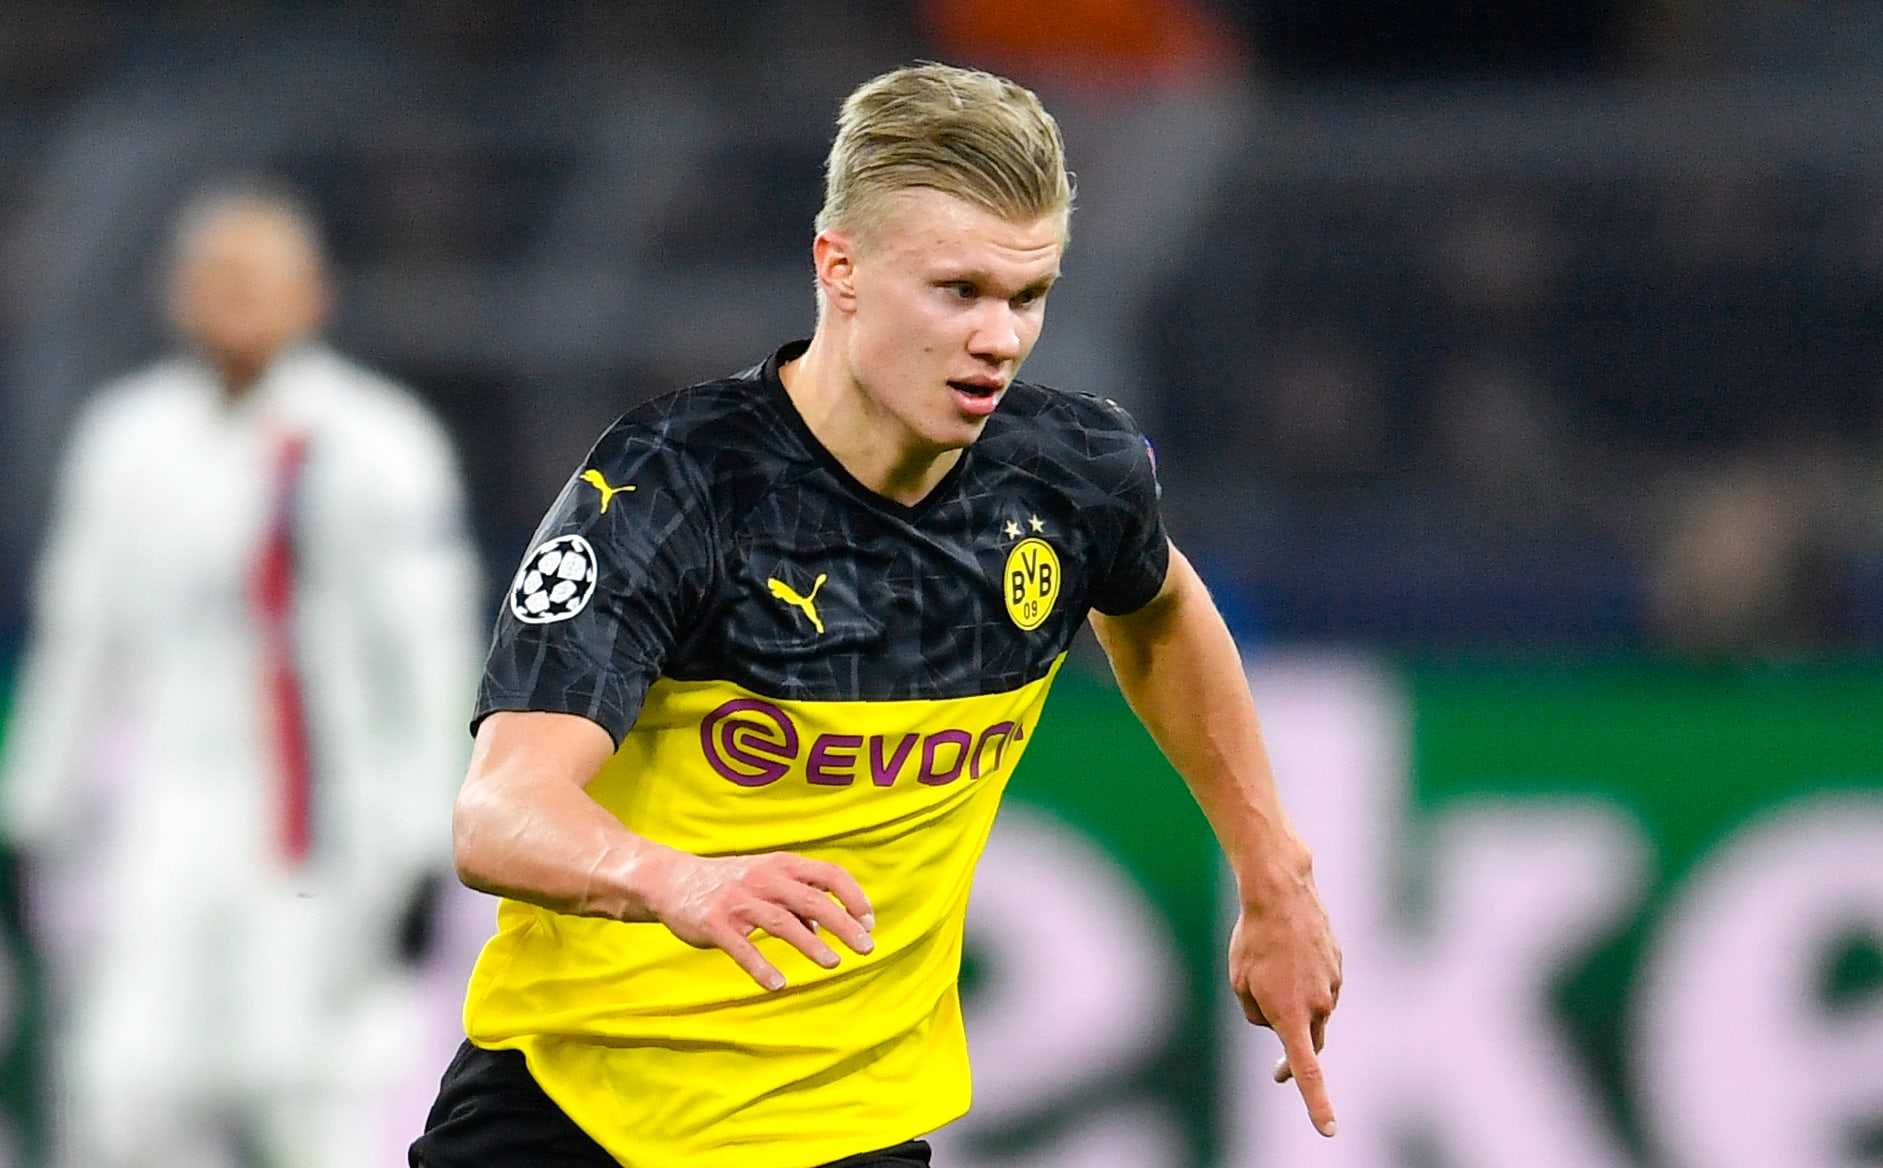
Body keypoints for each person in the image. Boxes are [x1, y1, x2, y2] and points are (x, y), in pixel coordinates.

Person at [412, 63, 1340, 1168]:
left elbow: (1160, 609)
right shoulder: (674, 486)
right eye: (958, 291)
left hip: (847, 1131)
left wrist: (1273, 874)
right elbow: (499, 812)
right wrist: (678, 880)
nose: (999, 338)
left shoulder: (1068, 475)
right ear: (838, 267)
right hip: (574, 1118)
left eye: (1027, 295)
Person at [0, 181, 484, 1168]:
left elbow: (430, 657)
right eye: (217, 276)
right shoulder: (128, 439)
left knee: (309, 1099)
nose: (236, 298)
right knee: (125, 1091)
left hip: (320, 823)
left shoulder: (373, 441)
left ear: (312, 293)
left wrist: (427, 836)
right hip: (164, 809)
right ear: (176, 293)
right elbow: (80, 639)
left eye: (258, 277)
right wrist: (30, 810)